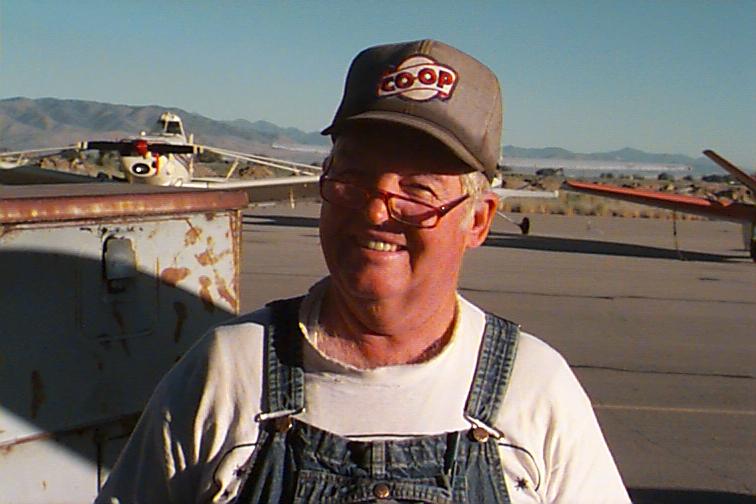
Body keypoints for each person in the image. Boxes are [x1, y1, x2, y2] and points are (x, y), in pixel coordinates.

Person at [96, 40, 630, 504]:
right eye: (352, 178)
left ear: (478, 220)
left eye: (418, 190)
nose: (376, 212)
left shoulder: (533, 389)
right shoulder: (229, 371)